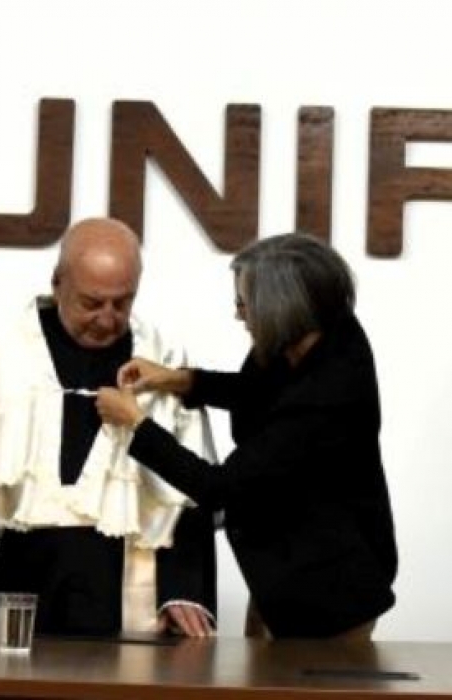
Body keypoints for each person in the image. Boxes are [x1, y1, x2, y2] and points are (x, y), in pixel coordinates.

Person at [0, 218, 218, 638]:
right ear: (58, 284)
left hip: (133, 582)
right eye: (92, 303)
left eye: (122, 303)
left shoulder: (162, 356)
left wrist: (184, 590)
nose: (107, 320)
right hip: (27, 576)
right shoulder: (4, 354)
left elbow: (188, 489)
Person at [97, 232, 397, 640]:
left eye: (244, 303)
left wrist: (135, 423)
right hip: (283, 571)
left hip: (331, 591)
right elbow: (260, 393)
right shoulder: (314, 335)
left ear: (282, 308)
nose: (238, 315)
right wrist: (179, 379)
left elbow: (217, 487)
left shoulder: (327, 394)